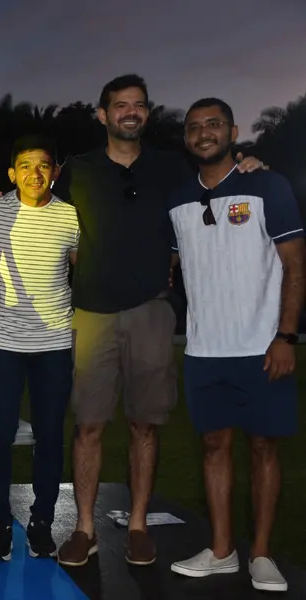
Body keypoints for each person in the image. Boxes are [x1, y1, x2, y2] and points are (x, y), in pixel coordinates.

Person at [53, 74, 266, 568]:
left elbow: (219, 187)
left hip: (151, 310)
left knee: (144, 424)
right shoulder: (77, 170)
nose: (131, 112)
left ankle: (138, 525)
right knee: (87, 426)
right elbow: (47, 226)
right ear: (102, 115)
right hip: (90, 314)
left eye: (139, 105)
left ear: (147, 114)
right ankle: (83, 529)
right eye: (120, 105)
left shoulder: (173, 168)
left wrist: (250, 164)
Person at [168, 98, 304, 593]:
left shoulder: (267, 185)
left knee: (265, 446)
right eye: (194, 127)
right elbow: (170, 266)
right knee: (213, 446)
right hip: (204, 351)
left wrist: (286, 336)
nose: (204, 133)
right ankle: (223, 550)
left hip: (263, 346)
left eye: (214, 124)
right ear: (186, 139)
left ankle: (262, 553)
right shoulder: (177, 201)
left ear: (232, 130)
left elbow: (295, 265)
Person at [0, 135, 78, 561]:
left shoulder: (72, 217)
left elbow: (86, 270)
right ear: (10, 173)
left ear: (55, 171)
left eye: (43, 165)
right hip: (2, 340)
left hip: (55, 342)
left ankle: (42, 520)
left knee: (49, 436)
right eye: (25, 165)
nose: (34, 174)